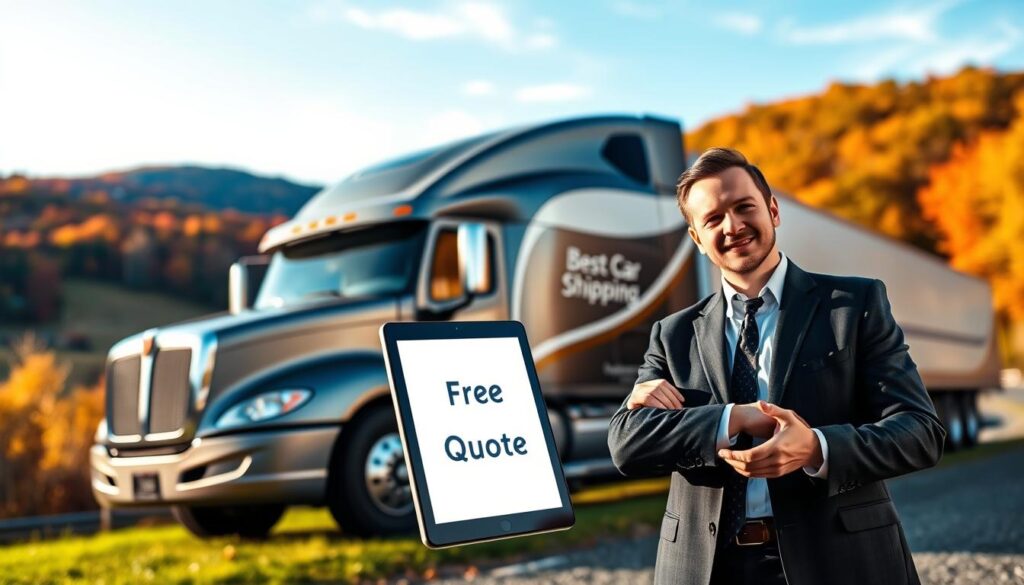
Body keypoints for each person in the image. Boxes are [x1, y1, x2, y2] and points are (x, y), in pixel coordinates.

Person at [607, 147, 945, 585]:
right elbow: (626, 445)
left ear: (772, 210)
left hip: (838, 561)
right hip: (707, 569)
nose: (732, 226)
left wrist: (816, 448)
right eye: (713, 219)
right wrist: (733, 418)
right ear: (696, 238)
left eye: (744, 207)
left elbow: (920, 431)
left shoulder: (854, 305)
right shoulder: (673, 335)